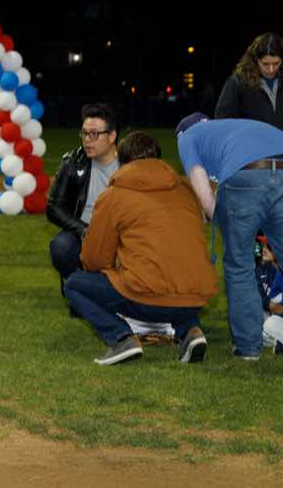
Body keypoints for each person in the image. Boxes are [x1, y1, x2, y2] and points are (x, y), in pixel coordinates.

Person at [64, 132, 217, 365]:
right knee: (175, 277)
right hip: (194, 297)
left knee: (75, 285)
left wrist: (116, 269)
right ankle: (190, 331)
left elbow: (94, 258)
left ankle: (122, 338)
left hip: (147, 297)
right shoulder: (185, 190)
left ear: (122, 161)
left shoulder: (115, 195)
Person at [177, 113, 283, 360]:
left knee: (239, 263)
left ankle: (248, 347)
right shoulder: (230, 128)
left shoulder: (187, 136)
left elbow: (201, 186)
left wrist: (221, 220)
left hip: (246, 174)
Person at [47, 103, 120, 294]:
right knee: (61, 247)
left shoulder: (129, 163)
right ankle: (80, 288)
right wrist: (85, 230)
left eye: (94, 134)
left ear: (112, 136)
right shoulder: (72, 162)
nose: (87, 140)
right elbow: (53, 207)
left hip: (122, 233)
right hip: (83, 232)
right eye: (84, 133)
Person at [214, 32, 283, 129]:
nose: (271, 69)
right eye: (265, 64)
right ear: (255, 60)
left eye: (276, 63)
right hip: (249, 139)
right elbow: (222, 123)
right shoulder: (238, 83)